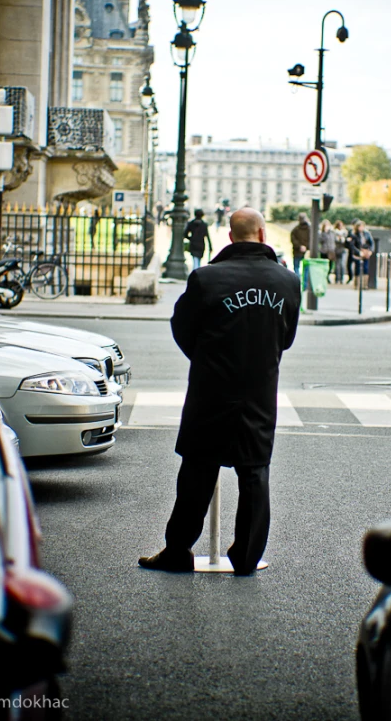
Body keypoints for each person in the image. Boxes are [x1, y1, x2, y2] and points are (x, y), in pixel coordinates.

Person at [138, 208, 301, 576]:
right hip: (259, 388)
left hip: (211, 388)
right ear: (262, 235)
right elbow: (286, 338)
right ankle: (246, 557)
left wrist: (208, 357)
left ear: (230, 237)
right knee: (255, 473)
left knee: (197, 471)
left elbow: (182, 328)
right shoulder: (287, 282)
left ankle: (178, 551)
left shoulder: (205, 278)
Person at [349, 220, 374, 289]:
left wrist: (370, 251)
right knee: (357, 268)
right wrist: (358, 252)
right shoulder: (354, 234)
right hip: (358, 254)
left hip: (365, 252)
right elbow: (352, 245)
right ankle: (357, 284)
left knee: (366, 268)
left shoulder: (367, 234)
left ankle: (365, 284)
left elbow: (371, 243)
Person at [290, 212, 311, 282]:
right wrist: (306, 247)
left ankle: (298, 283)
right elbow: (312, 240)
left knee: (296, 268)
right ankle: (304, 286)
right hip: (306, 252)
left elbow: (293, 239)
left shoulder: (295, 229)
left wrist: (300, 246)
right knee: (306, 269)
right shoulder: (310, 229)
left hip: (297, 251)